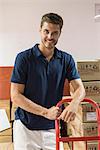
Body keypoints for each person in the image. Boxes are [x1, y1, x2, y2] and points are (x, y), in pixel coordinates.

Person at [11, 12, 85, 150]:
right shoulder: (24, 58)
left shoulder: (66, 59)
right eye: (46, 31)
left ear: (60, 33)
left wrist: (74, 103)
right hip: (26, 127)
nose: (50, 37)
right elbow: (15, 96)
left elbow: (80, 88)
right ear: (40, 30)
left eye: (54, 33)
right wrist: (45, 112)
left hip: (52, 127)